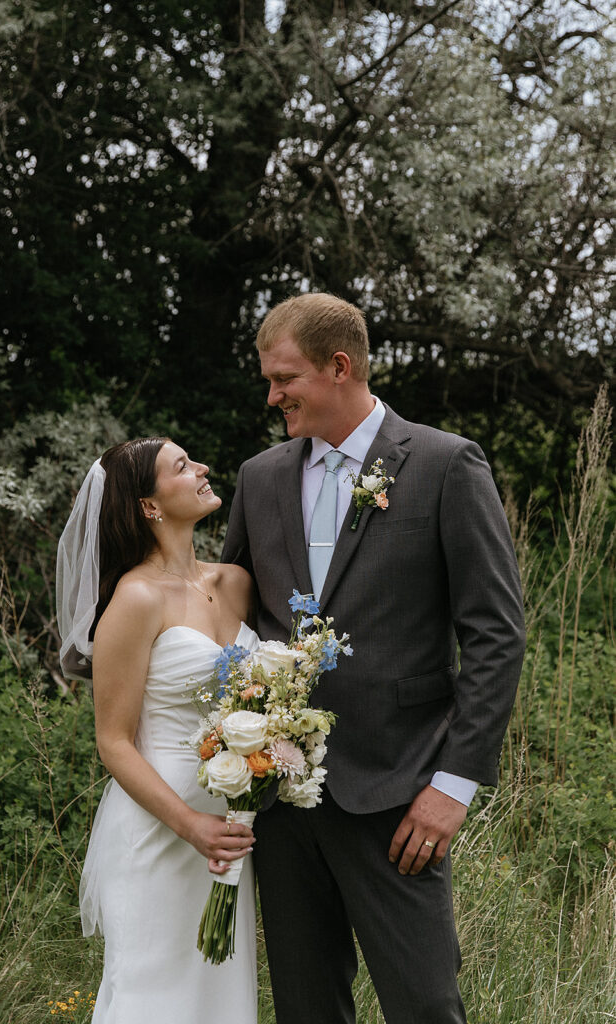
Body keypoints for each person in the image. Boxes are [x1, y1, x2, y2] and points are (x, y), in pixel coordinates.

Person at [222, 293, 526, 1023]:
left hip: (398, 794)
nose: (272, 397)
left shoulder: (445, 465)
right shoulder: (258, 477)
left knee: (423, 1005)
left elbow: (494, 632)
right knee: (304, 1007)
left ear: (339, 366)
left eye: (284, 379)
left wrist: (452, 786)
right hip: (282, 799)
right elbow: (226, 616)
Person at [56, 437, 258, 1024]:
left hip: (227, 834)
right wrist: (191, 823)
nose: (202, 468)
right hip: (161, 832)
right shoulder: (135, 599)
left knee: (218, 1001)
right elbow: (113, 741)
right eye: (182, 466)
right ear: (150, 505)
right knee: (153, 999)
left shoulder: (236, 583)